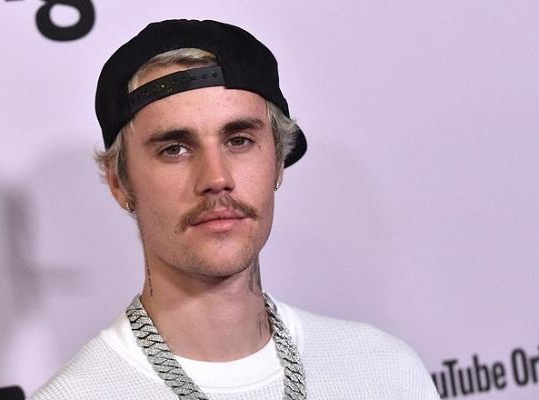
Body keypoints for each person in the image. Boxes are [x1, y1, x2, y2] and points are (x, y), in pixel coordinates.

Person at [30, 19, 440, 399]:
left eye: (239, 140)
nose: (216, 177)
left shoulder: (386, 371)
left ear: (277, 162)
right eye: (174, 149)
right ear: (120, 183)